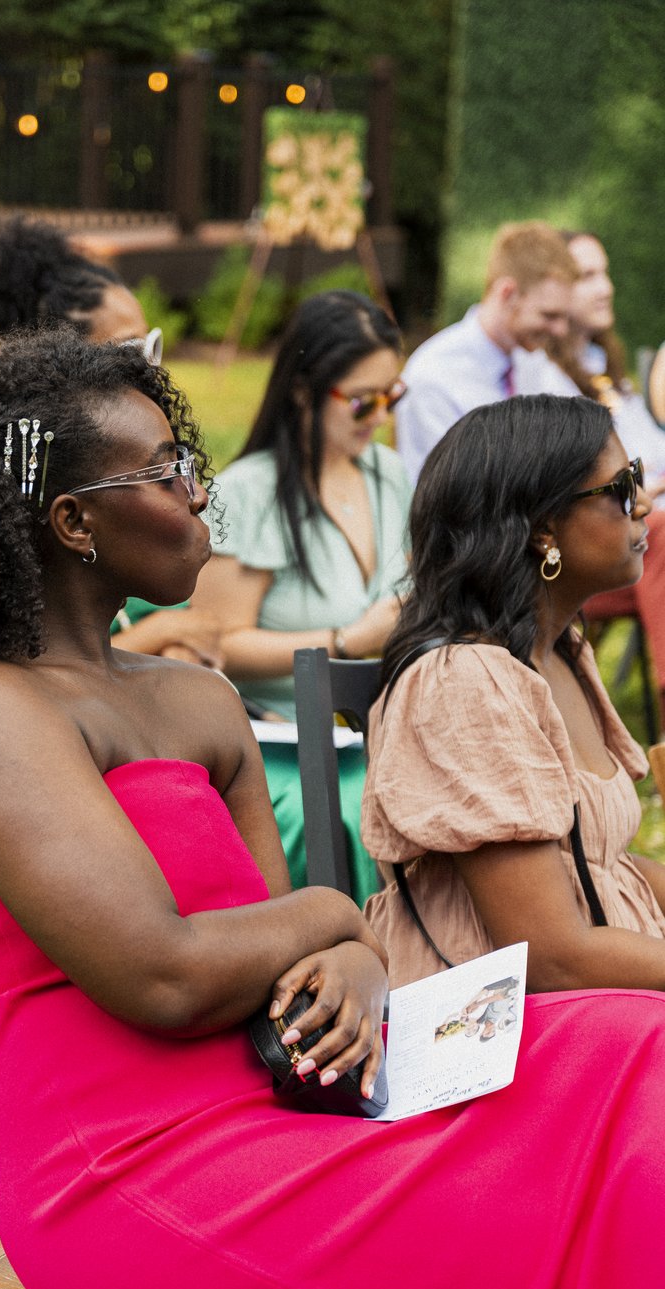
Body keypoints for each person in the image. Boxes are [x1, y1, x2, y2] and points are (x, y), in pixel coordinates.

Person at [0, 330, 665, 1289]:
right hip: (132, 1178)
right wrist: (333, 914)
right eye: (169, 473)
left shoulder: (195, 700)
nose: (201, 495)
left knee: (631, 1047)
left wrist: (354, 961)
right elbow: (167, 975)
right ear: (75, 522)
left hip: (294, 1095)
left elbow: (302, 944)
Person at [363, 393, 665, 993]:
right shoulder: (464, 685)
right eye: (623, 486)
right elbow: (548, 958)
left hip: (607, 1003)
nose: (646, 503)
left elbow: (603, 868)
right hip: (517, 1034)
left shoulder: (560, 655)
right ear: (542, 529)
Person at [191, 291, 412, 895]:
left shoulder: (387, 474)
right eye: (364, 401)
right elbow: (214, 645)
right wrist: (346, 640)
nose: (382, 416)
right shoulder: (247, 493)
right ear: (301, 391)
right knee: (362, 806)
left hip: (380, 724)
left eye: (394, 395)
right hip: (283, 741)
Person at [0, 214, 222, 667]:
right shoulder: (13, 500)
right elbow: (31, 663)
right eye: (130, 351)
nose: (153, 372)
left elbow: (196, 627)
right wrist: (161, 637)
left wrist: (181, 646)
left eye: (153, 346)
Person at [519, 231, 665, 724]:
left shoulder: (607, 371)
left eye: (605, 273)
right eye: (587, 277)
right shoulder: (542, 383)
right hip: (603, 546)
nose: (605, 288)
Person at [395, 221, 577, 482]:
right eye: (549, 315)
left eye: (564, 317)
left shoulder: (533, 361)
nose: (560, 330)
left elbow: (582, 439)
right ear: (507, 292)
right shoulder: (433, 377)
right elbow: (443, 497)